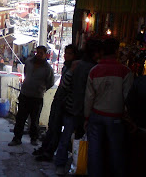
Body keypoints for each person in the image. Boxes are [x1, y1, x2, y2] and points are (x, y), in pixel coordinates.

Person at [84, 38, 133, 177]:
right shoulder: (125, 71)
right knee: (116, 151)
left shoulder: (94, 70)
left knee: (94, 150)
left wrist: (86, 117)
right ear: (117, 51)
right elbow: (127, 98)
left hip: (96, 115)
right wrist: (128, 117)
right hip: (115, 118)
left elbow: (89, 98)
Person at [53, 39, 101, 175]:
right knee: (85, 140)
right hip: (84, 109)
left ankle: (61, 165)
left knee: (66, 136)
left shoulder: (76, 66)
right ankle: (82, 166)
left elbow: (65, 85)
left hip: (71, 108)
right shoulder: (94, 68)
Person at [33, 44, 77, 162]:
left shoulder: (73, 69)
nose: (66, 56)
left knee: (57, 129)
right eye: (66, 53)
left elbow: (64, 85)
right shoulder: (66, 67)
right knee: (52, 126)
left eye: (70, 53)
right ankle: (45, 149)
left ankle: (49, 153)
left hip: (65, 102)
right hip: (59, 99)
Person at [8, 45, 54, 147]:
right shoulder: (29, 62)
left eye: (41, 53)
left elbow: (50, 83)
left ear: (45, 54)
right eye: (37, 52)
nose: (39, 55)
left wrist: (41, 89)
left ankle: (34, 138)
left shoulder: (47, 68)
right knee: (20, 118)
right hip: (25, 94)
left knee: (34, 120)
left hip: (37, 97)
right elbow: (26, 74)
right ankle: (17, 138)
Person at [125, 74, 146, 176]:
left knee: (137, 159)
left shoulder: (140, 81)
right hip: (139, 126)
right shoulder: (140, 81)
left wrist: (133, 120)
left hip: (140, 126)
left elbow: (130, 102)